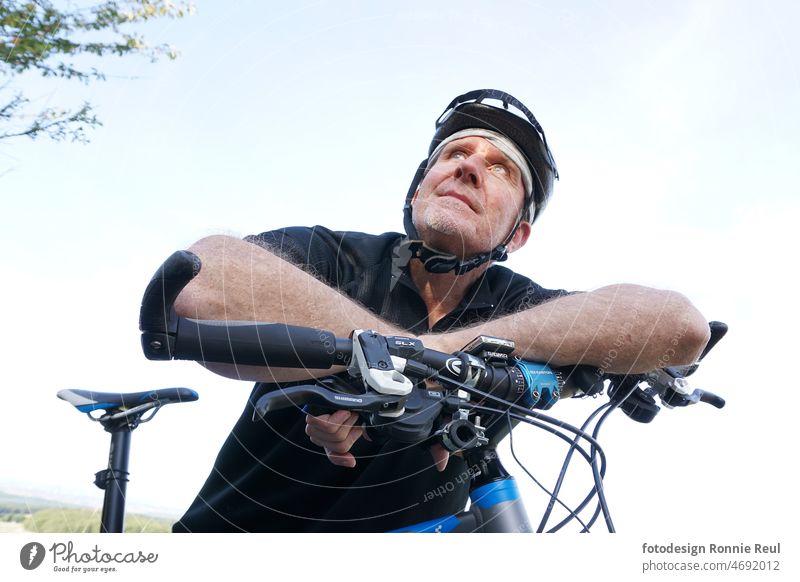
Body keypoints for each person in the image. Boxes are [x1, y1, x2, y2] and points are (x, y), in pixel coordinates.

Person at [170, 89, 710, 532]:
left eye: (500, 169)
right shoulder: (338, 258)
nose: (470, 167)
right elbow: (201, 279)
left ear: (517, 235)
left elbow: (682, 326)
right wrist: (397, 362)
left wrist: (431, 358)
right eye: (454, 154)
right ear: (418, 190)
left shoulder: (518, 305)